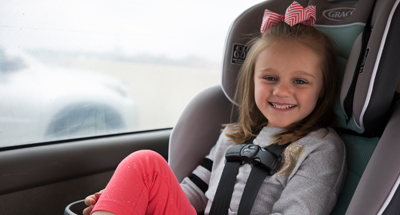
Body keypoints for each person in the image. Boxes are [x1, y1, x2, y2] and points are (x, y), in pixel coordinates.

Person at [83, 1, 346, 214]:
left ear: (323, 89)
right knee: (144, 162)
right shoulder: (233, 137)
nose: (282, 91)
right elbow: (193, 193)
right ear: (251, 81)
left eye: (300, 81)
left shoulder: (320, 147)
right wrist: (131, 200)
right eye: (270, 78)